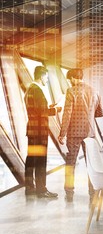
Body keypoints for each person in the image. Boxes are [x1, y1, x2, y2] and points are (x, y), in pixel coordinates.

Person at [58, 68, 103, 202]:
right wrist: (88, 114)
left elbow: (67, 114)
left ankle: (69, 193)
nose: (70, 82)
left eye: (69, 79)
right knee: (91, 163)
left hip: (74, 133)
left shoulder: (71, 91)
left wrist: (62, 134)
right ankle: (92, 191)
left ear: (73, 78)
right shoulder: (94, 90)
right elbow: (100, 113)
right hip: (90, 133)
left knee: (70, 163)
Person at [24, 66, 61, 198]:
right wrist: (55, 110)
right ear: (41, 76)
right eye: (46, 77)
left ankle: (29, 188)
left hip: (32, 130)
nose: (47, 80)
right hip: (39, 131)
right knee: (40, 160)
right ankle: (41, 190)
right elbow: (42, 112)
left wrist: (47, 107)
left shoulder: (29, 90)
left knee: (31, 160)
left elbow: (36, 109)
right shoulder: (38, 90)